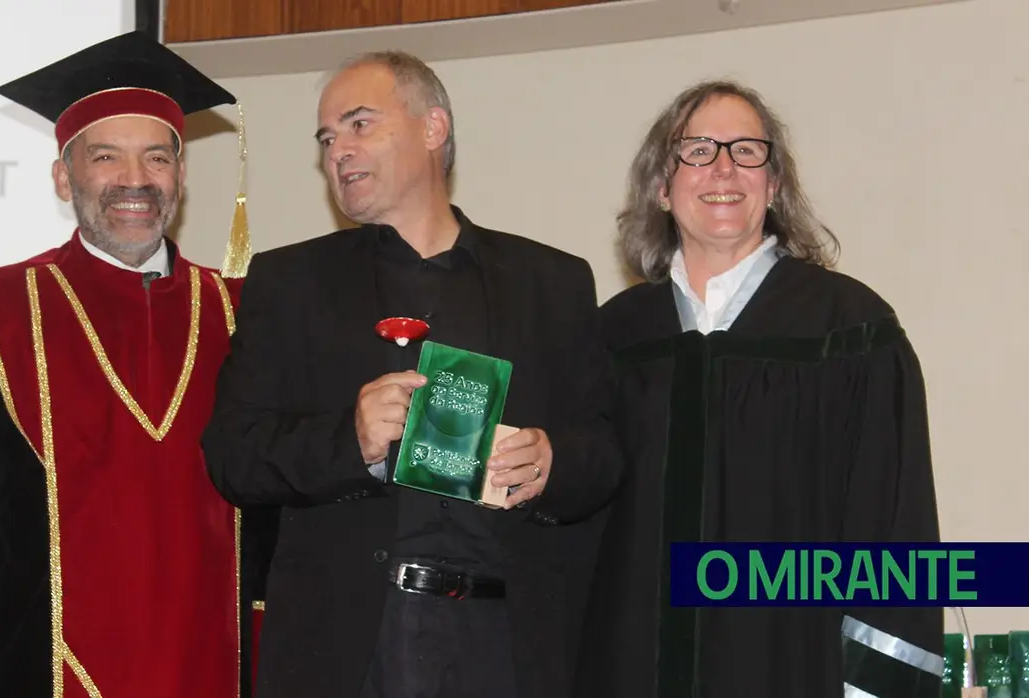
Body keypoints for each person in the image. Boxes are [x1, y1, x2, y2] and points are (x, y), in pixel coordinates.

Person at [202, 51, 620, 698]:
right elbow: (233, 453)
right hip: (347, 647)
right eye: (325, 137)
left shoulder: (551, 283)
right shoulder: (290, 283)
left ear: (433, 128)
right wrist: (352, 441)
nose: (336, 149)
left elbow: (606, 450)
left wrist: (551, 460)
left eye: (359, 124)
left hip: (506, 643)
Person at [0, 31, 275, 698]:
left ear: (181, 175)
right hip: (41, 670)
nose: (135, 181)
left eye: (157, 158)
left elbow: (274, 531)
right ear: (64, 177)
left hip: (217, 670)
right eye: (105, 157)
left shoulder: (244, 313)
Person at [572, 80, 944, 698]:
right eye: (697, 150)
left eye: (748, 151)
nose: (723, 166)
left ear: (773, 186)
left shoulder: (849, 330)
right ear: (662, 187)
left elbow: (894, 524)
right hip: (629, 669)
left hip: (796, 668)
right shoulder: (613, 336)